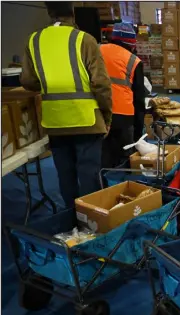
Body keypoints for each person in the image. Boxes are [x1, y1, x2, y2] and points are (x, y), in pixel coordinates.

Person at [21, 1, 112, 209]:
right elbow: (101, 84)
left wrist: (48, 84)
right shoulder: (84, 40)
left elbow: (27, 80)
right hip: (86, 120)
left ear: (49, 12)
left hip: (55, 121)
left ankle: (71, 220)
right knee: (89, 175)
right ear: (72, 12)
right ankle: (91, 223)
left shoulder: (34, 41)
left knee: (65, 175)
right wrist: (106, 116)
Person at [100, 22, 146, 168]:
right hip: (123, 115)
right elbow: (139, 99)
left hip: (98, 112)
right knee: (125, 157)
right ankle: (123, 185)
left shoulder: (96, 50)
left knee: (103, 154)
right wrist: (139, 132)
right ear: (131, 43)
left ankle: (104, 187)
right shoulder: (133, 60)